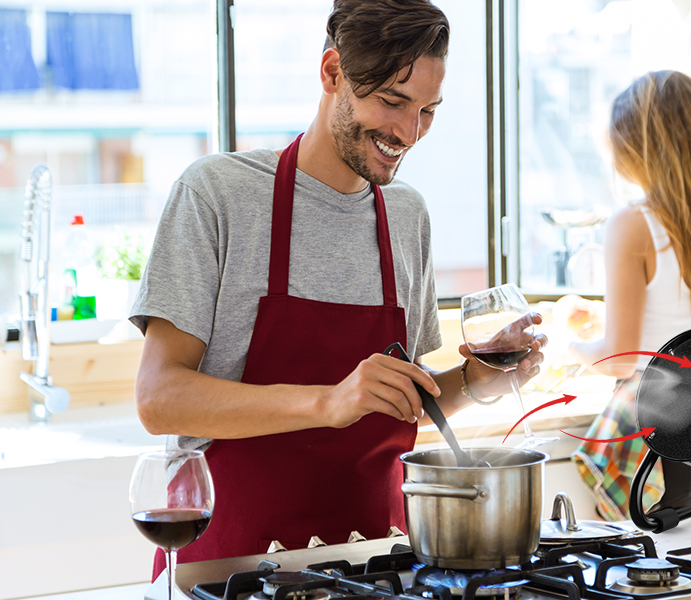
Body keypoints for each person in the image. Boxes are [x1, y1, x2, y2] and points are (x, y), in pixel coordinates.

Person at [129, 0, 545, 578]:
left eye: (427, 110)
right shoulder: (218, 194)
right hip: (233, 569)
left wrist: (476, 380)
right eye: (393, 101)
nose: (409, 131)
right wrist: (329, 401)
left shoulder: (406, 216)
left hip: (378, 565)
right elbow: (159, 398)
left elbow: (394, 403)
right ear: (332, 74)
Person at [566, 70, 691, 520]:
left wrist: (572, 346)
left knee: (643, 578)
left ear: (638, 148)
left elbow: (620, 361)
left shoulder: (634, 223)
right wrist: (605, 318)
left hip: (662, 435)